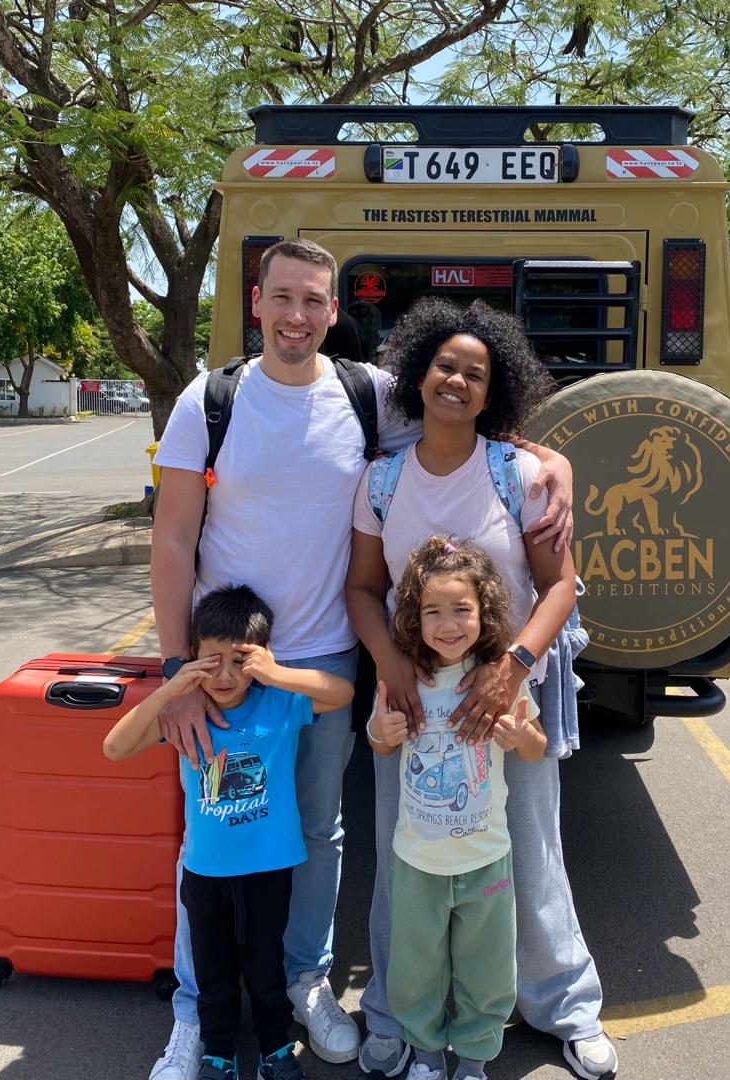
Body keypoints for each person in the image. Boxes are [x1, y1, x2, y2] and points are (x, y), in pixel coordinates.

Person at [149, 238, 573, 1080]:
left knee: (317, 829)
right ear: (257, 303)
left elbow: (469, 414)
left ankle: (307, 981)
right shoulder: (211, 400)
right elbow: (171, 536)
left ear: (334, 311)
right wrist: (176, 675)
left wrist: (550, 456)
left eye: (315, 300)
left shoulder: (367, 392)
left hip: (330, 660)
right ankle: (195, 1014)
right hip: (229, 671)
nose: (297, 316)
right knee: (210, 835)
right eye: (283, 298)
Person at [345, 297, 619, 1080]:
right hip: (411, 695)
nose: (457, 381)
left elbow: (561, 586)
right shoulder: (381, 480)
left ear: (493, 391)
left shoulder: (521, 473)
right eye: (444, 366)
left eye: (476, 372)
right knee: (405, 861)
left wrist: (514, 667)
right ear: (418, 373)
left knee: (528, 852)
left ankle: (564, 1004)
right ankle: (399, 1016)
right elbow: (363, 590)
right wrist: (389, 666)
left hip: (508, 695)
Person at [103, 585, 354, 1080]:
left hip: (268, 870)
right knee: (213, 972)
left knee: (265, 969)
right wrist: (171, 689)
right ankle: (217, 1051)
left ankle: (274, 1050)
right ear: (193, 656)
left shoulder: (279, 705)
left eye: (239, 660)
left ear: (259, 658)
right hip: (206, 873)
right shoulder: (183, 716)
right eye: (210, 659)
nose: (224, 674)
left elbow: (341, 693)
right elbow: (115, 747)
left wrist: (276, 672)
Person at [369, 536, 550, 1080]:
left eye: (461, 610)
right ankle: (425, 1054)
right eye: (433, 612)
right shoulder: (406, 680)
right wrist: (381, 730)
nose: (448, 624)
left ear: (485, 611)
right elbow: (380, 742)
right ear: (413, 618)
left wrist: (520, 736)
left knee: (487, 970)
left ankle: (473, 1058)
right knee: (414, 970)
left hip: (486, 859)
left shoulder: (499, 680)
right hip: (417, 862)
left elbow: (537, 746)